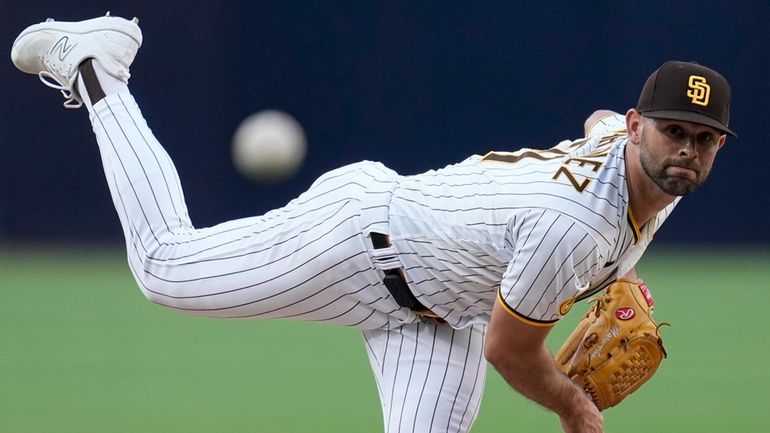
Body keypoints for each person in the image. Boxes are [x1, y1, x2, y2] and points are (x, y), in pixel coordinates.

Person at [11, 14, 734, 433]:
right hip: (360, 242)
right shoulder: (573, 228)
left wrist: (624, 269)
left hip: (440, 310)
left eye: (703, 138)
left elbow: (597, 121)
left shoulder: (642, 163)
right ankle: (98, 64)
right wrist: (574, 407)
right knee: (165, 266)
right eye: (673, 131)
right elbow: (512, 352)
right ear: (642, 127)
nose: (685, 150)